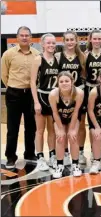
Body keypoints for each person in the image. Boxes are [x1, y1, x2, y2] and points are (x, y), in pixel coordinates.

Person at [1, 26, 40, 168]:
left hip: (30, 94)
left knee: (31, 127)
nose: (24, 37)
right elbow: (4, 75)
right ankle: (10, 156)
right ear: (17, 37)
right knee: (13, 127)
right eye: (22, 35)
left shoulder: (37, 54)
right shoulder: (8, 54)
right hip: (14, 94)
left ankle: (30, 153)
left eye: (27, 35)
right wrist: (13, 87)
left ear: (31, 38)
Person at [55, 31, 87, 165]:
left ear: (76, 41)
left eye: (72, 39)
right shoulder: (58, 56)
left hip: (77, 92)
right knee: (64, 123)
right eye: (67, 40)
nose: (69, 42)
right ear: (63, 41)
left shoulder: (81, 56)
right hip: (63, 93)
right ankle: (66, 153)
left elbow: (84, 74)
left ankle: (80, 152)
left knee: (80, 124)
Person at [30, 33, 59, 171]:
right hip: (41, 96)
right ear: (42, 44)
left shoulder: (58, 59)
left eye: (53, 43)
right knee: (40, 130)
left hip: (54, 97)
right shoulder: (38, 59)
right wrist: (36, 101)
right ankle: (40, 157)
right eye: (48, 43)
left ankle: (52, 155)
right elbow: (32, 82)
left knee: (52, 130)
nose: (51, 45)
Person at [49, 71, 84, 178]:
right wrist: (60, 129)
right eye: (61, 81)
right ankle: (59, 165)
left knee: (73, 137)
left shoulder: (79, 93)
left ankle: (75, 164)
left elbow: (76, 111)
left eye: (67, 81)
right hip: (59, 118)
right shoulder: (53, 94)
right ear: (58, 83)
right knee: (60, 137)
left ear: (72, 82)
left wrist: (72, 129)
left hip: (73, 117)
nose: (64, 83)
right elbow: (54, 112)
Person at [85, 30, 101, 161]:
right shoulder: (85, 55)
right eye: (95, 39)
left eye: (99, 39)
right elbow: (83, 73)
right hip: (90, 88)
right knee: (92, 121)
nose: (97, 41)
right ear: (90, 40)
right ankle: (93, 149)